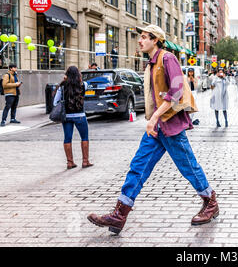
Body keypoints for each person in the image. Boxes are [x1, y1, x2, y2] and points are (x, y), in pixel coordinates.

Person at [87, 25, 219, 234]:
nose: (140, 41)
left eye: (144, 37)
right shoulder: (151, 63)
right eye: (140, 37)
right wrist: (154, 119)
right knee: (138, 167)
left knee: (189, 168)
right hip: (157, 128)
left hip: (171, 126)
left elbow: (175, 92)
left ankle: (210, 203)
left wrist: (155, 117)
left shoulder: (168, 59)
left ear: (155, 39)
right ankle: (119, 214)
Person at [53, 66, 93, 169]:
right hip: (80, 116)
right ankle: (85, 161)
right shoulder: (83, 85)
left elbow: (55, 102)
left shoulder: (62, 87)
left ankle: (70, 162)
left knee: (67, 138)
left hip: (67, 117)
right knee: (84, 137)